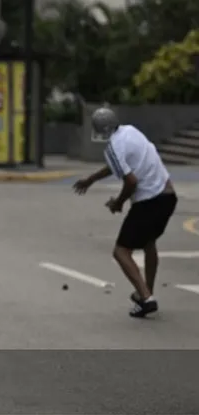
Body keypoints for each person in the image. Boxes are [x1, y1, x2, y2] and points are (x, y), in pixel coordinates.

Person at [73, 107, 178, 318]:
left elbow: (131, 181)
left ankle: (146, 298)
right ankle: (146, 292)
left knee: (120, 252)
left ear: (98, 131)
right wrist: (91, 179)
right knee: (149, 243)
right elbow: (117, 165)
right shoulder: (131, 131)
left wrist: (119, 202)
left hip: (149, 202)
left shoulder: (112, 147)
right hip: (168, 197)